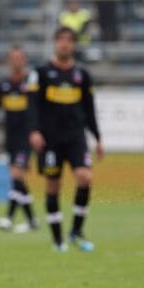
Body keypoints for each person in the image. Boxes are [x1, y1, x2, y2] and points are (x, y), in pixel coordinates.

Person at [27, 27, 103, 252]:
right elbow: (32, 105)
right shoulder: (40, 73)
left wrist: (98, 138)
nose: (65, 44)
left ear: (74, 45)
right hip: (50, 139)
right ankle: (58, 240)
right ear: (55, 43)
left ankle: (76, 232)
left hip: (76, 137)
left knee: (85, 177)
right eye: (61, 39)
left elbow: (89, 109)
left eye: (69, 40)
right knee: (53, 184)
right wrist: (34, 131)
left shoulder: (82, 75)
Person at [0, 46, 38, 233]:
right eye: (13, 58)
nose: (17, 61)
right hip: (11, 138)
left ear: (25, 60)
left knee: (16, 175)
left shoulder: (31, 83)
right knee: (18, 180)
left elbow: (38, 108)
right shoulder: (3, 84)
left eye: (20, 57)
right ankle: (32, 220)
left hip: (26, 137)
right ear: (8, 61)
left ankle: (8, 217)